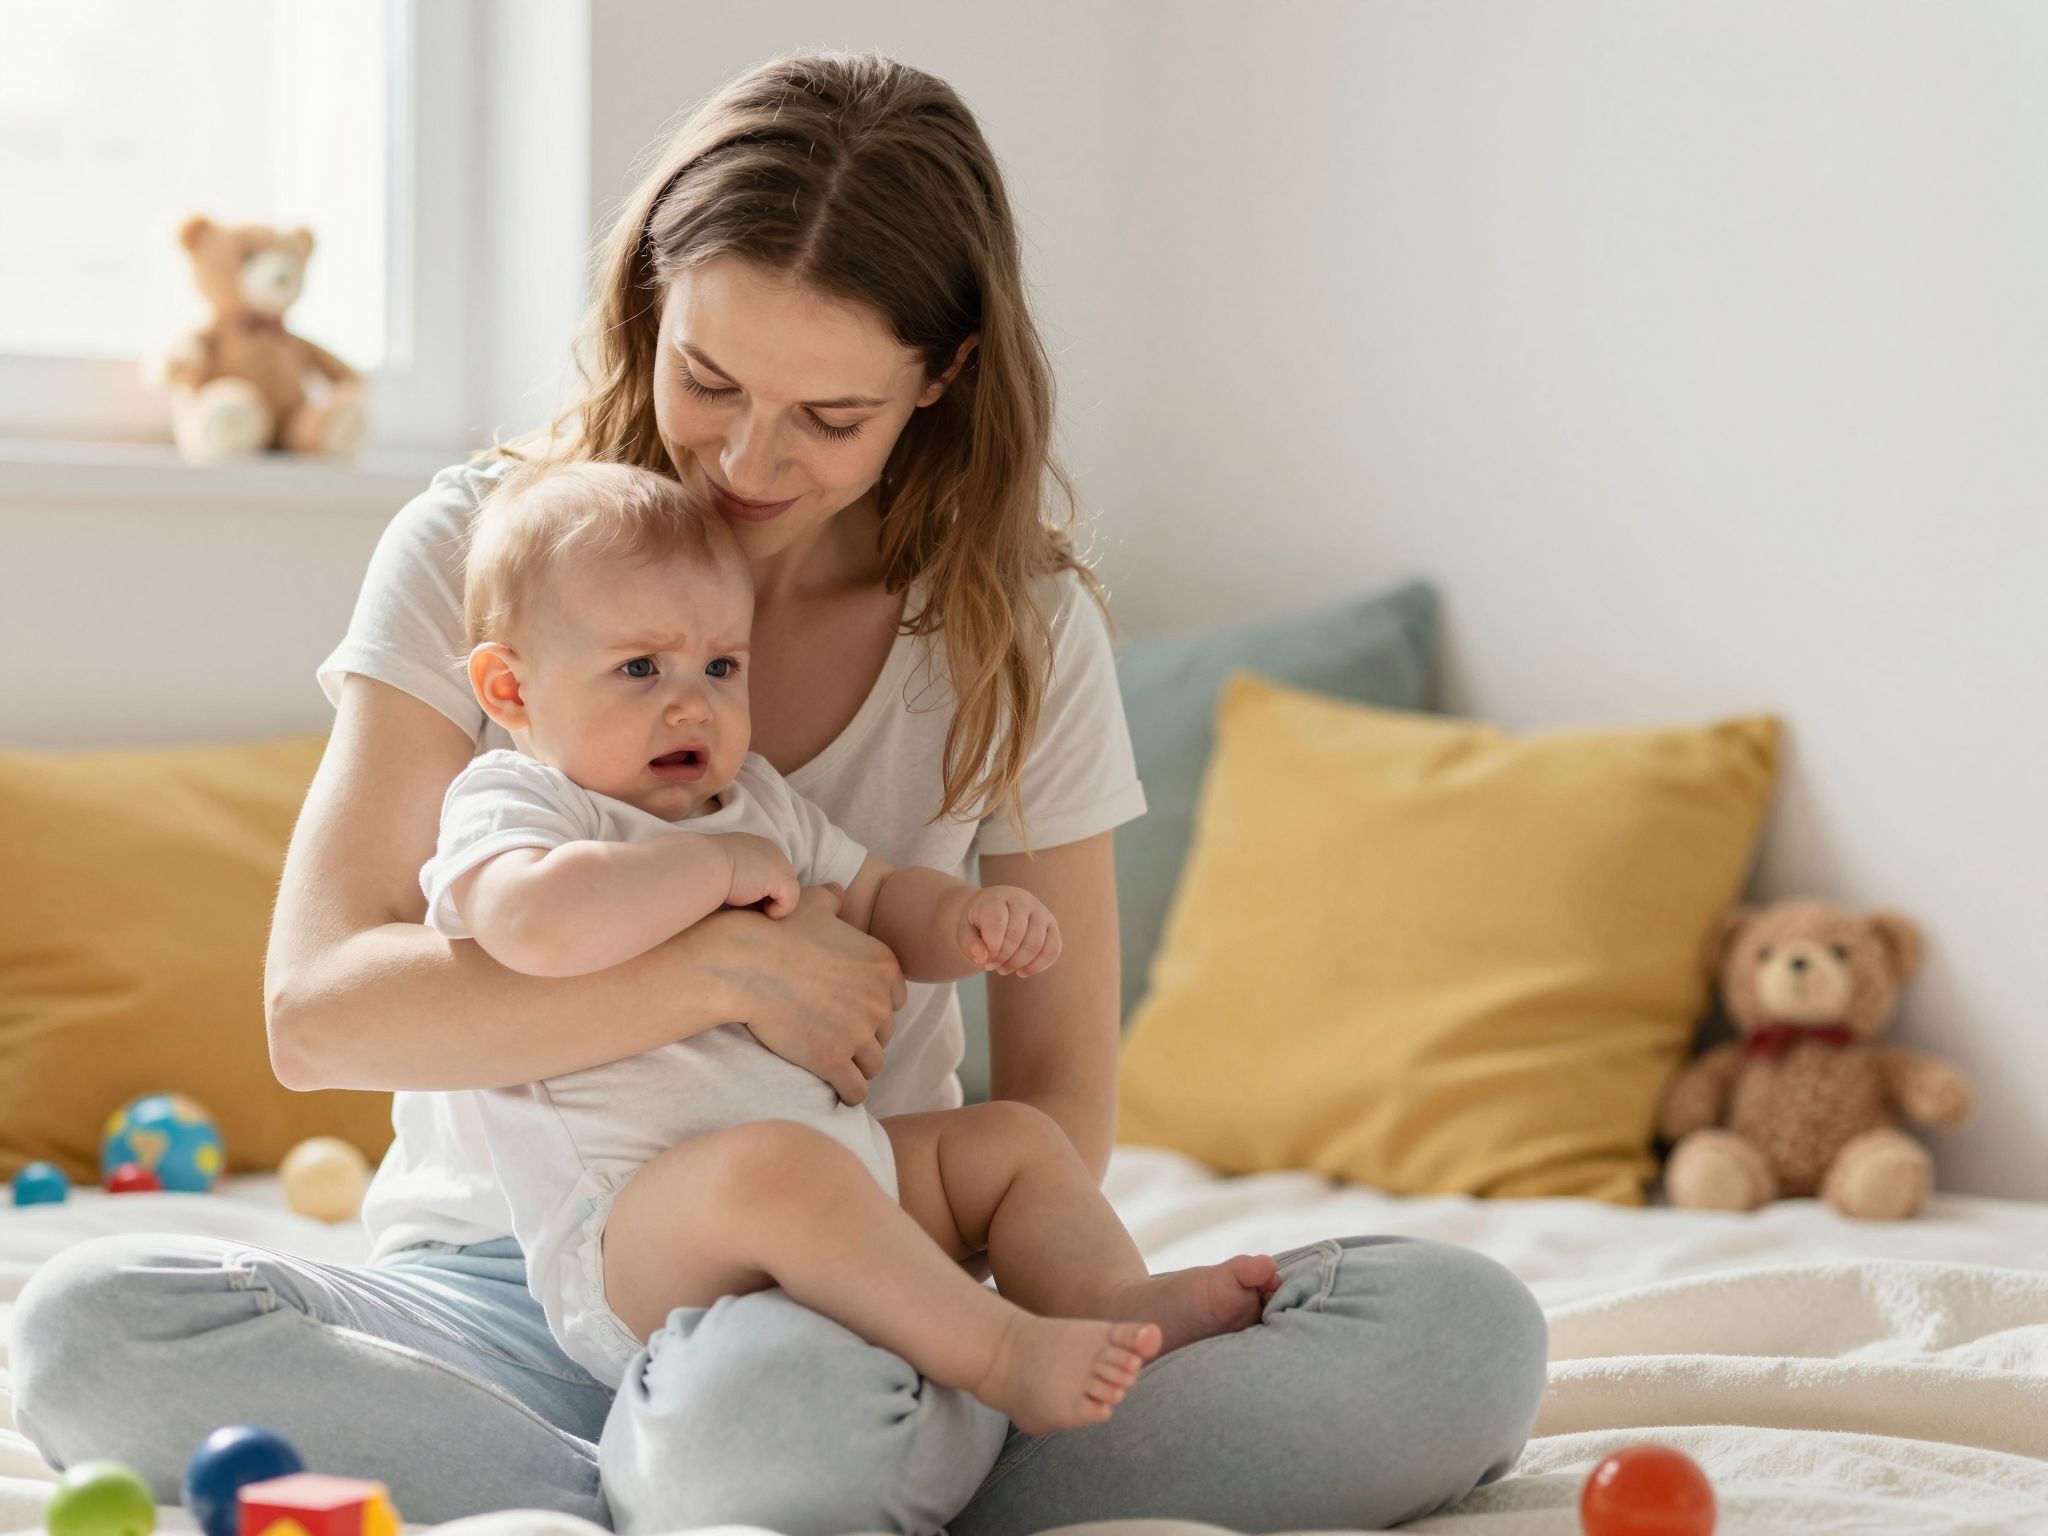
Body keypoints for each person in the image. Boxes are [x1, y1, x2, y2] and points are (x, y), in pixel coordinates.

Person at [12, 50, 1547, 1536]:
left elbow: (1060, 1095)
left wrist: (915, 1268)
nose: (748, 461)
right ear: (647, 308)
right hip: (504, 1277)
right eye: (709, 377)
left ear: (940, 377)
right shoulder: (490, 548)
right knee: (88, 1326)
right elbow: (321, 1011)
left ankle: (796, 1458)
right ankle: (747, 1484)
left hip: (859, 1268)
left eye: (832, 419)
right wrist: (720, 969)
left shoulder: (1012, 623)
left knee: (1459, 1334)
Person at [432, 459, 1283, 1432]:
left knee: (1011, 1144)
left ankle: (1108, 1305)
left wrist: (961, 922)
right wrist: (710, 873)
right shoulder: (520, 801)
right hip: (633, 1234)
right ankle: (1003, 1353)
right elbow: (532, 925)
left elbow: (876, 896)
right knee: (779, 1173)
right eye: (639, 668)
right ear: (509, 687)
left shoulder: (753, 802)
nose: (689, 703)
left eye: (720, 666)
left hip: (842, 1174)